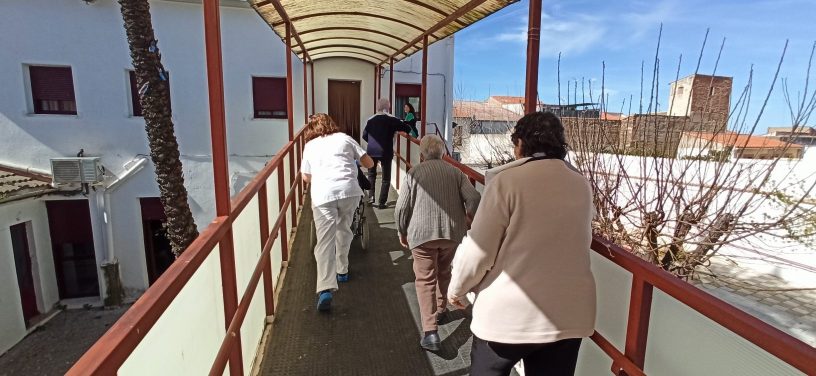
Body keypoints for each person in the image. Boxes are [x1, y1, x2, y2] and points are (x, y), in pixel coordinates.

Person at [447, 112, 596, 376]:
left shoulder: (507, 182)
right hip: (567, 317)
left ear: (520, 145)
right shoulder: (581, 185)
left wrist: (457, 289)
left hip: (507, 320)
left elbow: (478, 250)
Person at [394, 135, 480, 351]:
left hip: (421, 236)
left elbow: (402, 208)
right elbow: (475, 198)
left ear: (421, 155)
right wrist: (468, 219)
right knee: (444, 272)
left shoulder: (414, 173)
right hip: (451, 233)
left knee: (425, 279)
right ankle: (440, 310)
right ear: (442, 153)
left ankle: (430, 332)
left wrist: (402, 231)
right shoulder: (456, 172)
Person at [301, 113, 375, 312]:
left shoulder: (309, 146)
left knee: (324, 241)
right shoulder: (345, 138)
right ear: (331, 124)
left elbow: (307, 178)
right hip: (348, 191)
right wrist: (355, 162)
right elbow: (369, 163)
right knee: (344, 229)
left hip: (322, 195)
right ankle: (342, 270)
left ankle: (325, 288)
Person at [363, 98, 411, 209]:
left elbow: (364, 135)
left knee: (371, 174)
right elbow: (406, 128)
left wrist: (373, 143)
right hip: (386, 151)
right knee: (386, 178)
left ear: (377, 107)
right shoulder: (392, 119)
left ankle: (371, 197)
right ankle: (382, 202)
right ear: (388, 107)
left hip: (372, 151)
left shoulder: (371, 120)